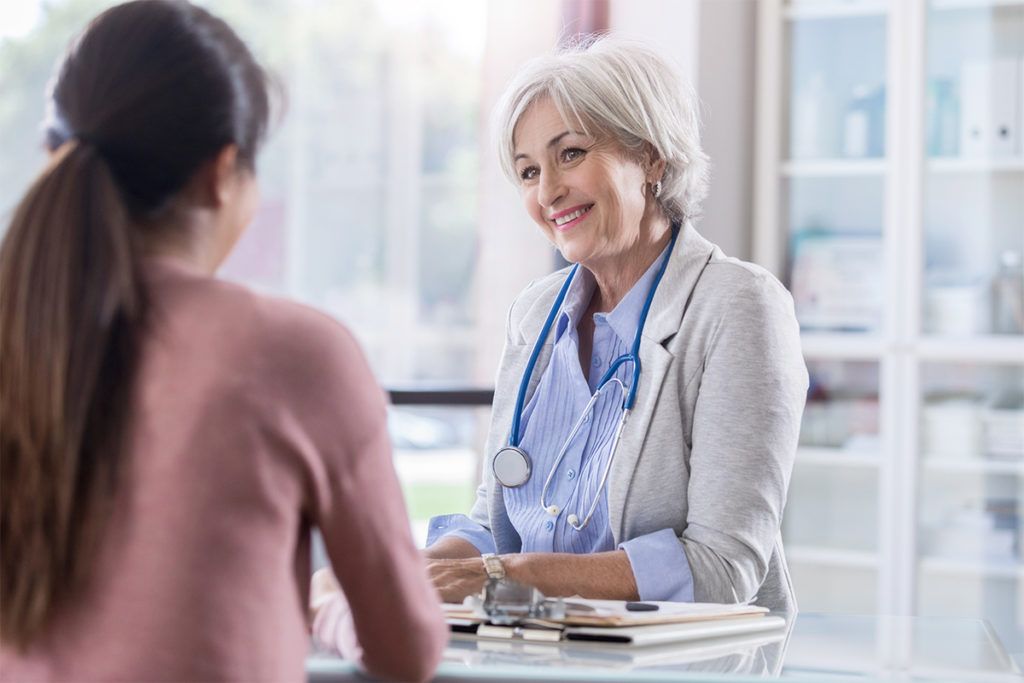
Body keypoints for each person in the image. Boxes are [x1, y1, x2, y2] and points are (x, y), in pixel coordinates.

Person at [0, 2, 445, 681]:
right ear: (222, 170)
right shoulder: (297, 352)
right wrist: (320, 604)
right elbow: (407, 648)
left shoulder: (18, 335)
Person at [422, 37, 808, 612]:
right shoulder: (536, 314)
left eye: (571, 153)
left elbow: (723, 567)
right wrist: (411, 571)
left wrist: (506, 575)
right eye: (528, 172)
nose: (548, 191)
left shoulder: (738, 307)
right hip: (538, 652)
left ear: (651, 158)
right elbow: (495, 526)